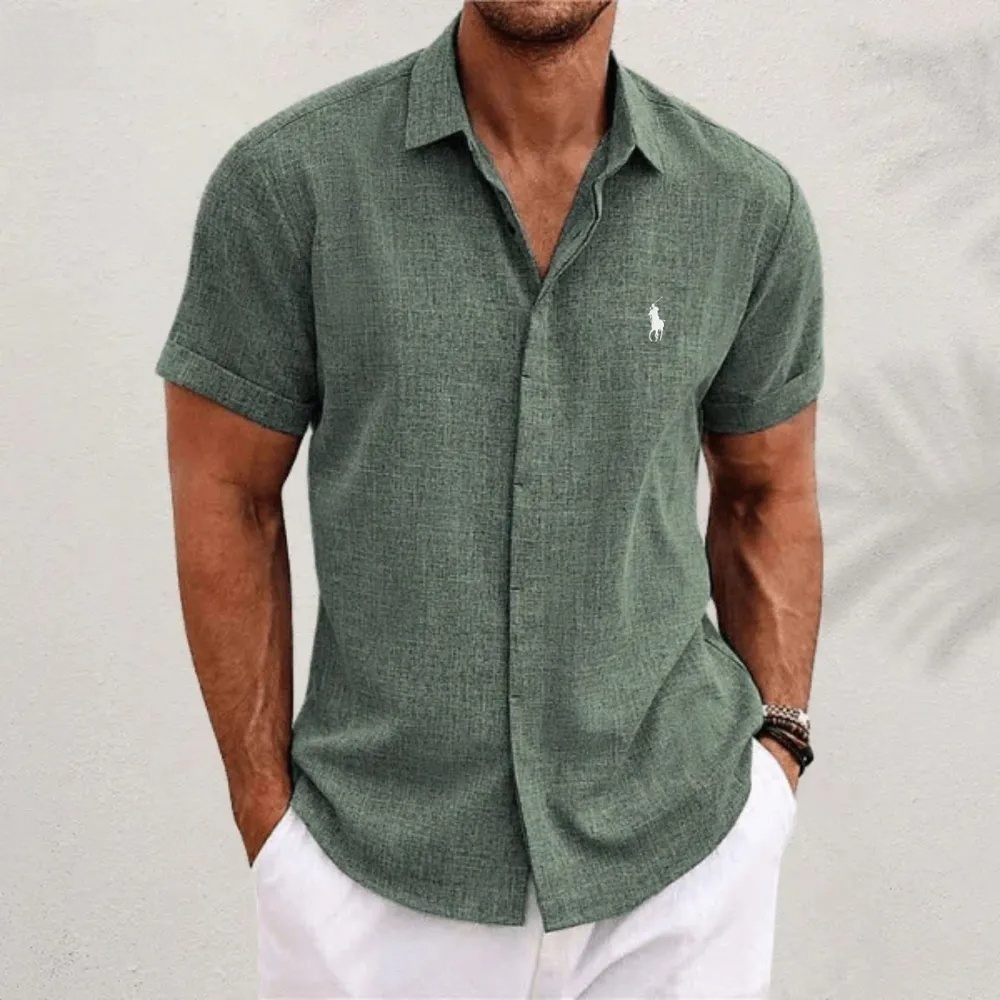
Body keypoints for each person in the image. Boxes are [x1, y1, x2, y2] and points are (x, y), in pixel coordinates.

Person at [155, 2, 824, 997]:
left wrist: (778, 758)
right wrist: (269, 826)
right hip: (374, 882)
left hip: (682, 874)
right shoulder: (290, 185)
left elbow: (768, 494)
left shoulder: (745, 207)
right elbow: (228, 493)